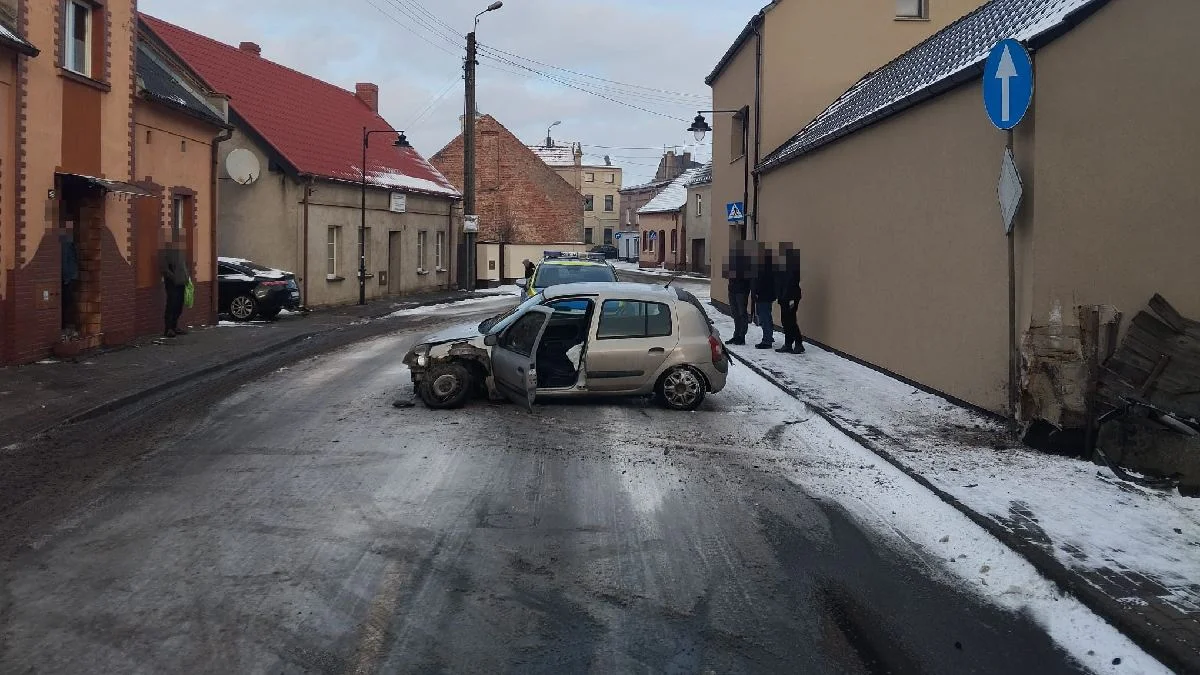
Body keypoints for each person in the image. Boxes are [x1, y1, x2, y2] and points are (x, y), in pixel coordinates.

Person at [776, 242, 805, 353]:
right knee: (785, 321)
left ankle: (798, 343)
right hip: (783, 298)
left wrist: (790, 299)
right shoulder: (782, 266)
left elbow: (792, 283)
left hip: (791, 297)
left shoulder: (793, 267)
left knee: (791, 320)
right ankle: (788, 344)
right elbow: (779, 281)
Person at [722, 241, 751, 345]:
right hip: (733, 290)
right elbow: (725, 273)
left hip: (742, 291)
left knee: (742, 313)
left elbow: (748, 277)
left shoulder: (747, 262)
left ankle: (741, 336)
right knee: (735, 314)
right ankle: (736, 334)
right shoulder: (732, 261)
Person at [159, 238, 190, 338]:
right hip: (172, 284)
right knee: (171, 305)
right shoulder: (165, 255)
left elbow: (184, 267)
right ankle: (168, 329)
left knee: (179, 305)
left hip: (181, 283)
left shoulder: (180, 255)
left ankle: (175, 326)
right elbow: (164, 269)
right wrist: (175, 278)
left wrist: (186, 277)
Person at [751, 243, 776, 349]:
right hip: (764, 296)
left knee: (765, 317)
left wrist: (756, 292)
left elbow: (760, 282)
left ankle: (767, 340)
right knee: (765, 317)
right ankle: (768, 337)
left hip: (763, 296)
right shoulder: (766, 267)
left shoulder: (764, 268)